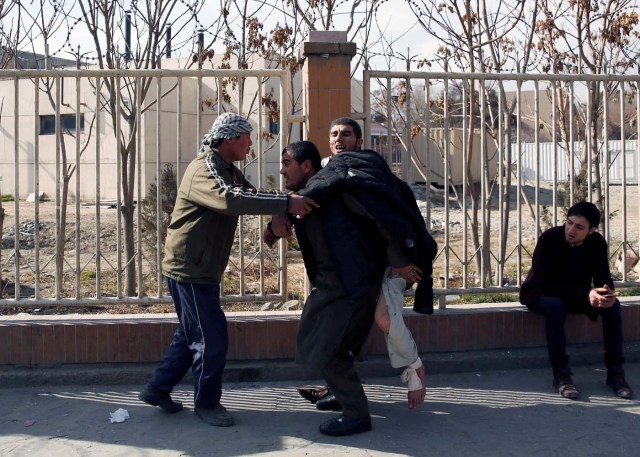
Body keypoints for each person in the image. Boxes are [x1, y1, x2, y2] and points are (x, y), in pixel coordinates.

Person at [137, 113, 317, 427]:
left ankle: (158, 388)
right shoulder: (204, 169)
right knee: (212, 338)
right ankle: (206, 404)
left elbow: (250, 196)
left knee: (191, 333)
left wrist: (276, 215)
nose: (251, 143)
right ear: (231, 138)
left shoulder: (227, 170)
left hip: (201, 268)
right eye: (247, 137)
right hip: (188, 269)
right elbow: (229, 199)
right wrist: (286, 203)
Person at [268, 138, 435, 436]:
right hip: (348, 283)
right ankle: (341, 395)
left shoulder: (334, 188)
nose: (282, 170)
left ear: (306, 165)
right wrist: (281, 212)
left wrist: (399, 260)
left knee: (324, 348)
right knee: (340, 346)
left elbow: (381, 220)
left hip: (345, 286)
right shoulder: (310, 193)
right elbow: (292, 209)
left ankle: (356, 414)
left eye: (287, 163)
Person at [520, 201, 633, 400]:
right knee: (555, 307)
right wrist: (586, 294)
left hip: (576, 294)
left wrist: (606, 294)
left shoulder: (597, 242)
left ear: (591, 231)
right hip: (542, 293)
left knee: (612, 308)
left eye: (579, 227)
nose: (571, 230)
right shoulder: (549, 239)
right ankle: (561, 374)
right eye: (569, 223)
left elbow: (603, 277)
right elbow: (546, 284)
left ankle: (615, 372)